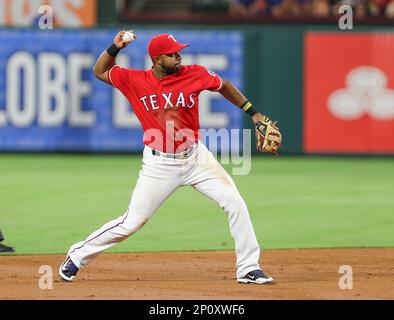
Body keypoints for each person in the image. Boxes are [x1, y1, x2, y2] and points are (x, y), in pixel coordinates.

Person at [59, 31, 274, 285]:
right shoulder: (134, 79)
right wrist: (114, 48)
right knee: (132, 222)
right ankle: (77, 255)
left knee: (235, 203)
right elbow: (99, 70)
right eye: (173, 54)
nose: (179, 56)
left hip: (196, 158)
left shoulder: (194, 73)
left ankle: (248, 267)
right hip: (159, 164)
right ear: (158, 59)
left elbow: (223, 85)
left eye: (178, 51)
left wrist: (254, 114)